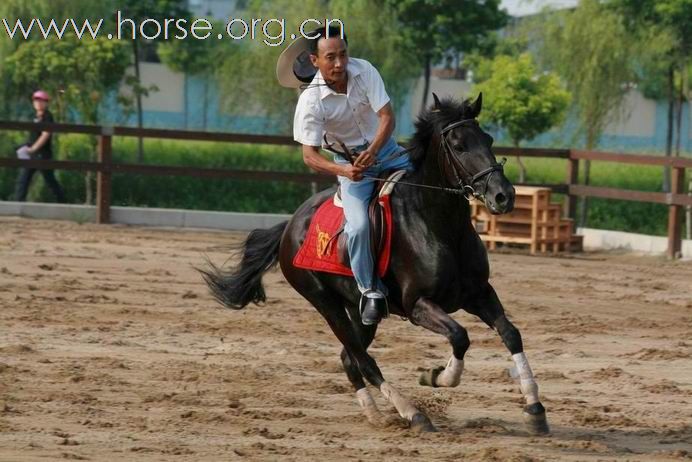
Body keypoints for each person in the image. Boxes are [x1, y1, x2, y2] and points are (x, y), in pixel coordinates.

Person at [277, 26, 413, 326]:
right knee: (358, 226)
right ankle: (370, 291)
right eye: (330, 57)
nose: (339, 63)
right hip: (351, 167)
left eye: (343, 55)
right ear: (314, 61)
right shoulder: (310, 103)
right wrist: (344, 171)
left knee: (434, 188)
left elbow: (387, 117)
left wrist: (376, 150)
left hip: (387, 150)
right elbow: (309, 156)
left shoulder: (365, 71)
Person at [14, 90, 66, 203]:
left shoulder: (48, 116)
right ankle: (18, 203)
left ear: (46, 103)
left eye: (41, 100)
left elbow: (45, 134)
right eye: (36, 100)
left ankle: (62, 202)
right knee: (23, 179)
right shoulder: (33, 116)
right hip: (32, 153)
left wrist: (33, 149)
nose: (38, 103)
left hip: (42, 153)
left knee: (50, 180)